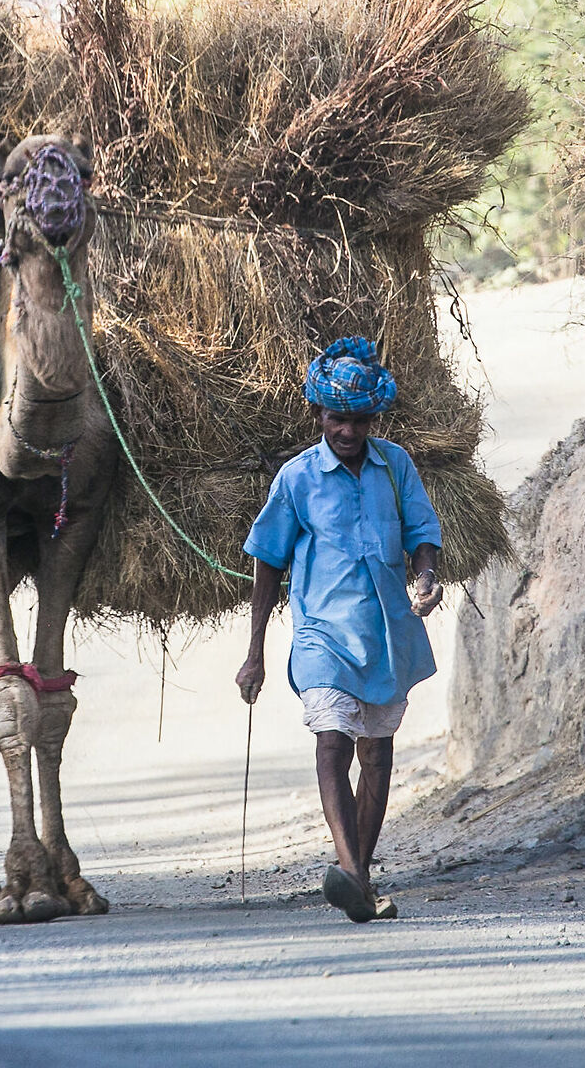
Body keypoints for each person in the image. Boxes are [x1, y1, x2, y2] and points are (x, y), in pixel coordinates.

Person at [235, 336, 443, 923]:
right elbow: (268, 562)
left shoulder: (395, 465)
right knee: (332, 741)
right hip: (322, 636)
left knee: (377, 756)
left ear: (372, 419)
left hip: (385, 635)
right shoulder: (296, 479)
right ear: (317, 415)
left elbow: (422, 533)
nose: (346, 431)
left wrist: (426, 576)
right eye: (335, 419)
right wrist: (256, 654)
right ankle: (352, 871)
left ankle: (359, 878)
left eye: (356, 420)